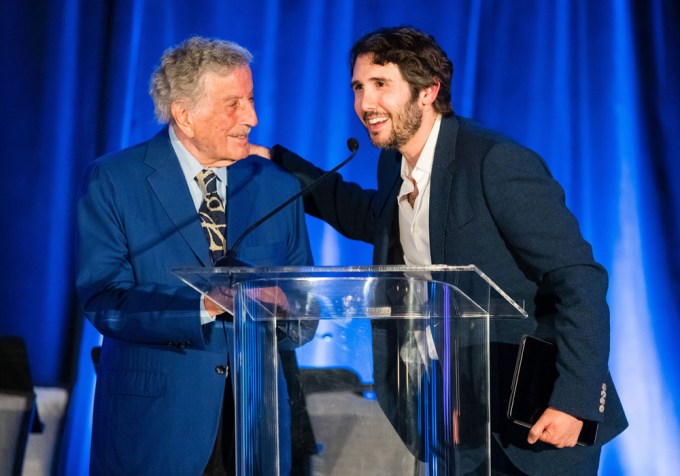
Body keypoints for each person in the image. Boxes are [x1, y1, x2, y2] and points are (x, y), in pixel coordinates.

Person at [255, 26, 628, 475]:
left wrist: (574, 402)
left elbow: (579, 279)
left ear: (428, 91)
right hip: (454, 418)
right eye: (358, 87)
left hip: (535, 423)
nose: (365, 104)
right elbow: (370, 217)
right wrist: (278, 166)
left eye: (380, 85)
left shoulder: (495, 162)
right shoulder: (393, 161)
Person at [76, 36, 315, 475]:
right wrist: (204, 306)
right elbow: (104, 301)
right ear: (184, 115)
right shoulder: (116, 179)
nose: (253, 118)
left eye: (251, 100)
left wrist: (290, 308)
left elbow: (307, 308)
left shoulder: (277, 186)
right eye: (233, 104)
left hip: (252, 432)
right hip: (156, 431)